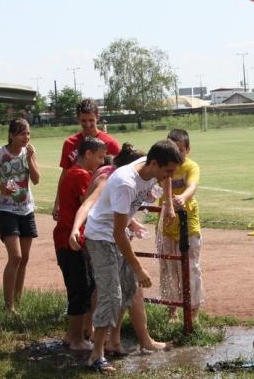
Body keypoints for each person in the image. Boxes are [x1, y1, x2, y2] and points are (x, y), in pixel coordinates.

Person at [80, 140, 182, 372]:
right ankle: (96, 356)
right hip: (102, 237)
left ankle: (112, 341)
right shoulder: (126, 182)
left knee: (127, 289)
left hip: (118, 235)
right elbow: (116, 232)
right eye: (167, 171)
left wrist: (168, 205)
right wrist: (137, 266)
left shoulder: (148, 165)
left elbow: (164, 179)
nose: (169, 177)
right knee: (111, 295)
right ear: (154, 163)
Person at [53, 137, 107, 351]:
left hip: (70, 239)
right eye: (100, 157)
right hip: (70, 241)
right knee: (79, 290)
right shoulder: (80, 175)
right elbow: (90, 203)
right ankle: (75, 339)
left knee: (84, 288)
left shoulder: (76, 173)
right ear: (88, 154)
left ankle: (75, 334)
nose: (102, 162)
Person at [0, 118, 40, 313]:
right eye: (22, 133)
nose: (26, 137)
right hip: (7, 210)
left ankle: (18, 301)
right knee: (15, 256)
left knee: (24, 258)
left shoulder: (28, 153)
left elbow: (36, 179)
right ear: (11, 135)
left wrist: (31, 158)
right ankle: (9, 306)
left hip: (27, 209)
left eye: (28, 133)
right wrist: (1, 187)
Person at [158, 129, 204, 323]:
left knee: (191, 267)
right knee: (168, 267)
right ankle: (172, 311)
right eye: (173, 150)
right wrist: (169, 203)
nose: (176, 155)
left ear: (188, 149)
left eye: (180, 150)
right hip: (167, 223)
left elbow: (192, 186)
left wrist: (183, 197)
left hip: (188, 223)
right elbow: (163, 182)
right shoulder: (164, 167)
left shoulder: (191, 167)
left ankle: (194, 312)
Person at [52, 98, 120, 221]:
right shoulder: (70, 143)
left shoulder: (110, 143)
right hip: (74, 204)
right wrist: (57, 202)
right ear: (77, 119)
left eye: (91, 120)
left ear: (97, 117)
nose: (87, 124)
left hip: (101, 203)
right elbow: (64, 173)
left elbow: (119, 175)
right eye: (83, 120)